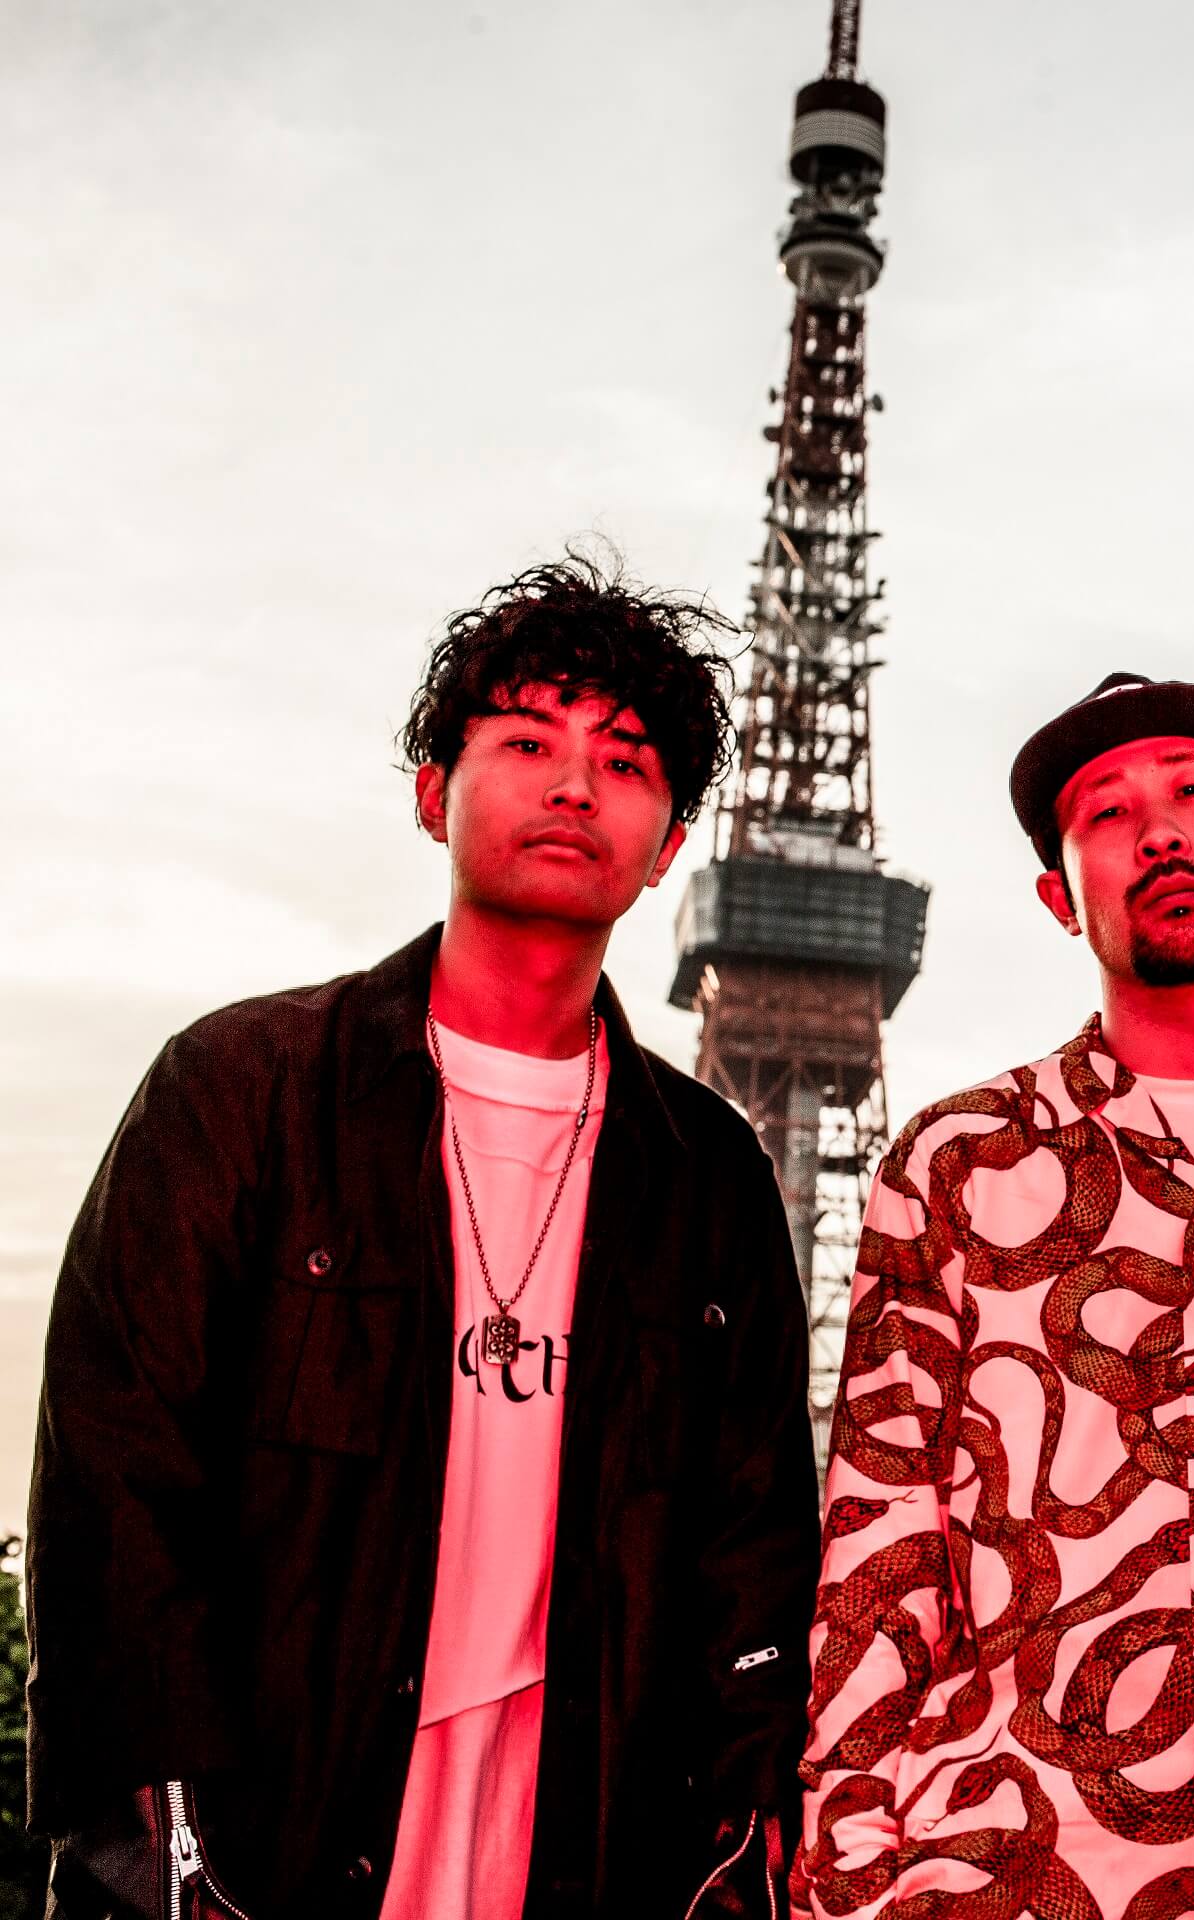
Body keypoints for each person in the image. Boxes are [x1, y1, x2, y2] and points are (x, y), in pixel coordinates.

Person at [29, 552, 818, 1917]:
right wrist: (163, 1851)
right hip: (269, 1842)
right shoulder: (240, 1092)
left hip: (585, 1842)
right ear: (432, 792)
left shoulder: (713, 1176)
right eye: (529, 741)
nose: (576, 785)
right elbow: (117, 1486)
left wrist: (744, 1822)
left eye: (625, 761)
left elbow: (754, 1541)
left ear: (669, 848)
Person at [795, 673, 1194, 1920]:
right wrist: (852, 1868)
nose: (1160, 833)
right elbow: (883, 1542)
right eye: (1108, 814)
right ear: (1058, 897)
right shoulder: (958, 1167)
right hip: (1013, 1870)